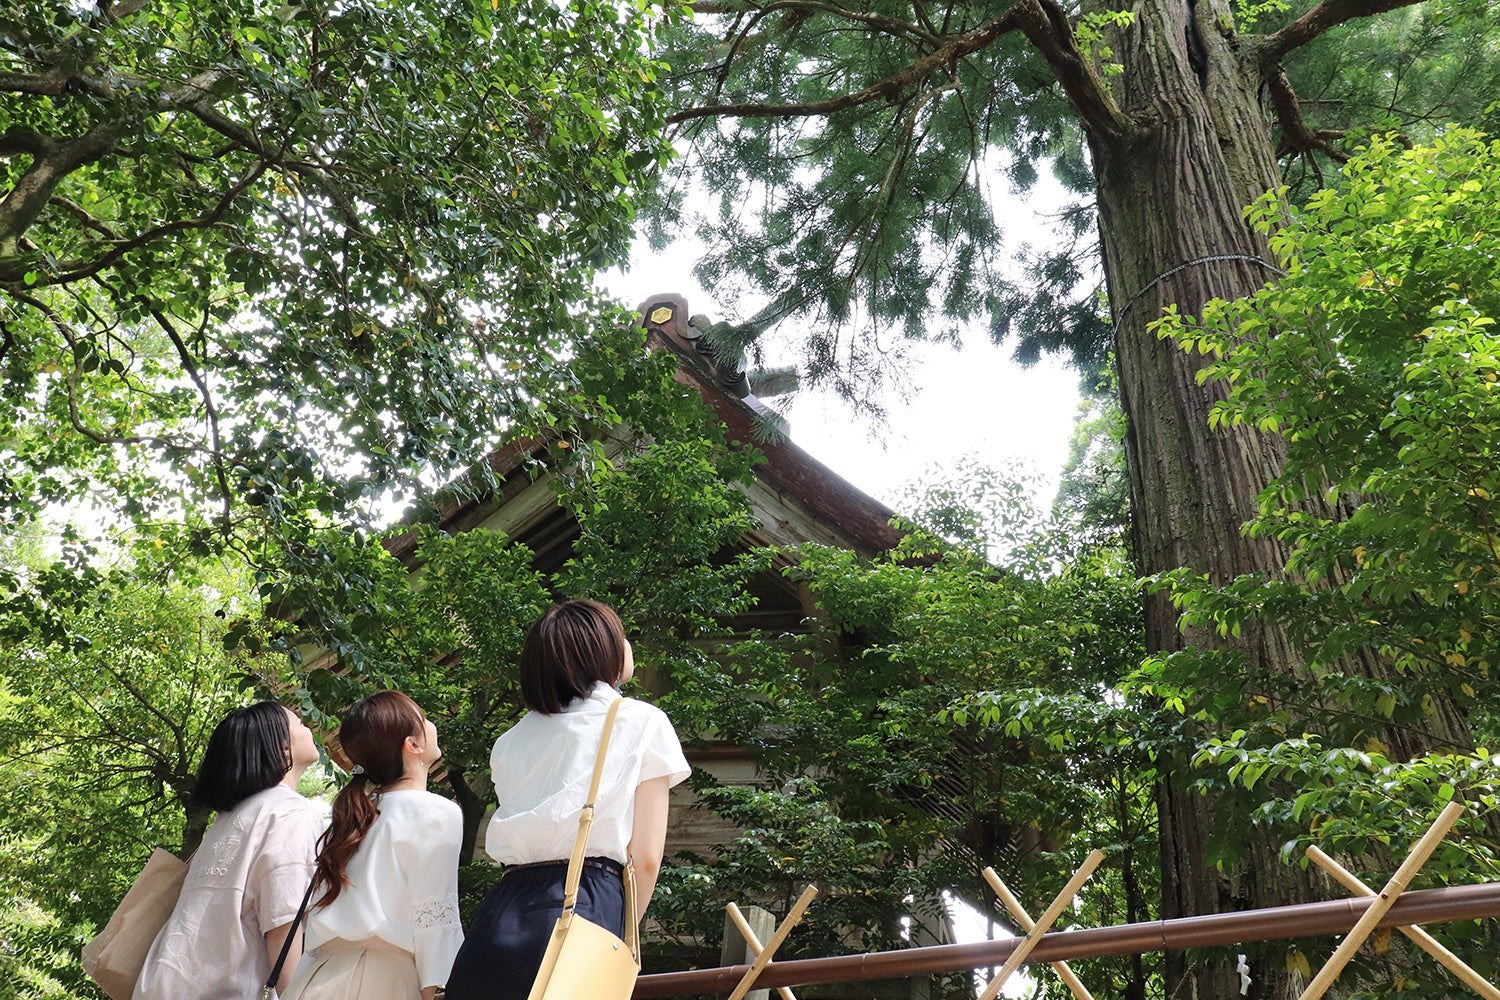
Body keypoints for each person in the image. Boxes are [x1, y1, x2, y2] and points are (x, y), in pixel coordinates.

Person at [445, 599, 691, 1000]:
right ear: (600, 652)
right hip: (587, 902)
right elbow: (645, 857)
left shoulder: (510, 740)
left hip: (500, 913)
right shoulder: (640, 720)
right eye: (621, 636)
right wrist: (623, 938)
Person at [134, 701, 325, 1000]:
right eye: (299, 723)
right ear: (283, 748)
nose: (308, 727)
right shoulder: (291, 813)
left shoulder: (226, 821)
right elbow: (283, 927)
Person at [281, 690, 463, 1000]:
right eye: (423, 718)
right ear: (413, 744)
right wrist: (436, 991)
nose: (431, 723)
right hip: (384, 980)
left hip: (315, 979)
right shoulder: (436, 812)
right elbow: (435, 919)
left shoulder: (353, 817)